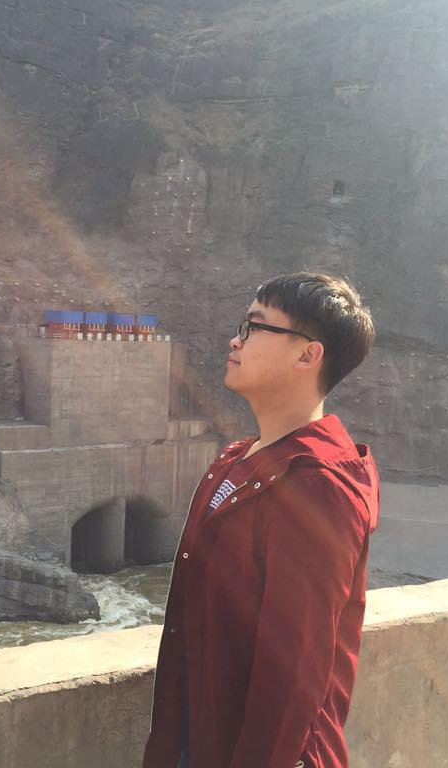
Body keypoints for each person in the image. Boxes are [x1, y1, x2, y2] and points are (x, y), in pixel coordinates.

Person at [142, 272, 380, 768]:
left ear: (307, 355)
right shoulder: (239, 459)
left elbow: (294, 673)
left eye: (255, 327)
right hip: (200, 739)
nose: (236, 340)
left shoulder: (317, 487)